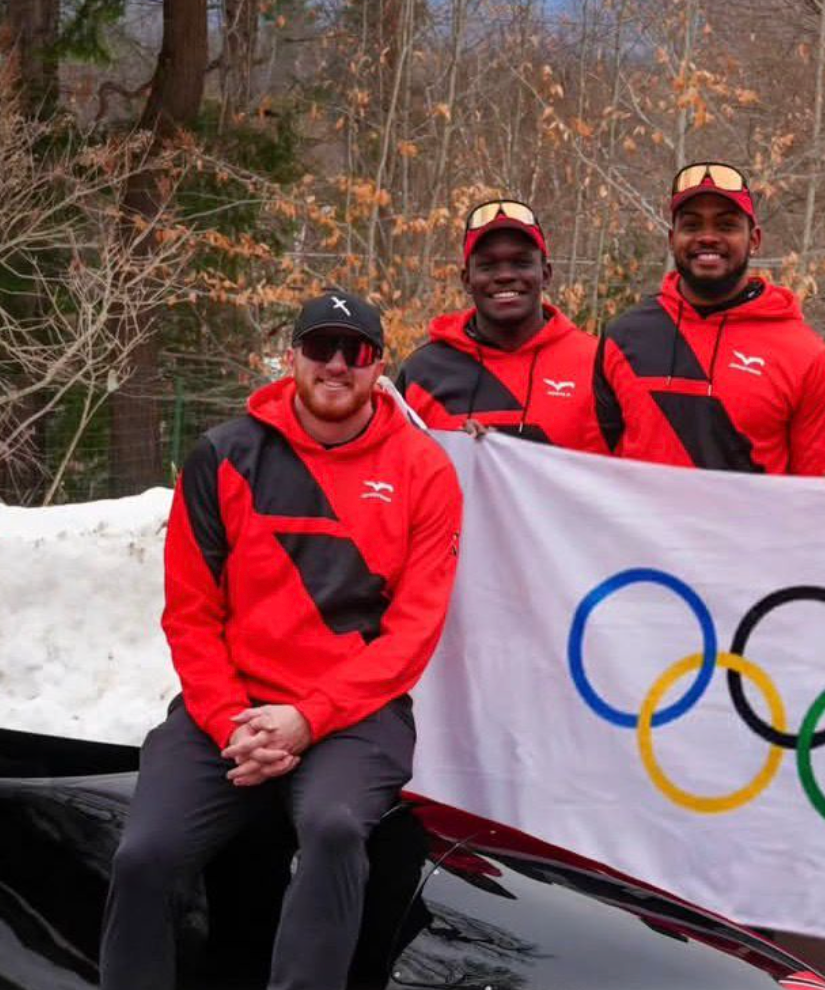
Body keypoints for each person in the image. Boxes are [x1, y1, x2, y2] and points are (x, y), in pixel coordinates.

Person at [101, 290, 464, 990]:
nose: (336, 365)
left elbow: (413, 634)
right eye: (319, 348)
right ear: (291, 357)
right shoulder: (223, 455)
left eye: (353, 352)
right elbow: (191, 615)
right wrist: (229, 721)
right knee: (142, 855)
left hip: (356, 717)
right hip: (228, 714)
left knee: (332, 829)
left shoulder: (425, 469)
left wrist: (309, 718)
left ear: (377, 365)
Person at [593, 160, 825, 478]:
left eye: (726, 226)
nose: (708, 237)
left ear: (754, 239)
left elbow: (818, 489)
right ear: (672, 239)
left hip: (751, 528)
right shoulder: (623, 337)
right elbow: (595, 471)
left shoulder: (808, 356)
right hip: (641, 529)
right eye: (692, 226)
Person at [395, 199, 606, 452]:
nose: (505, 275)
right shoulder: (423, 372)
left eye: (521, 263)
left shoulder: (598, 363)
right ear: (467, 280)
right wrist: (460, 452)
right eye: (488, 265)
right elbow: (395, 471)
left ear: (546, 274)